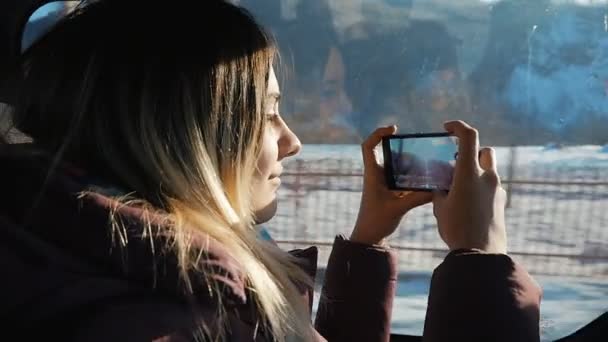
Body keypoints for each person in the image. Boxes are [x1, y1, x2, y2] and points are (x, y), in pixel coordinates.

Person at [0, 1, 541, 341]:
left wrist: (368, 240)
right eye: (266, 114)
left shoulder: (96, 255)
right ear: (184, 137)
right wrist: (482, 261)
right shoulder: (170, 321)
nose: (293, 142)